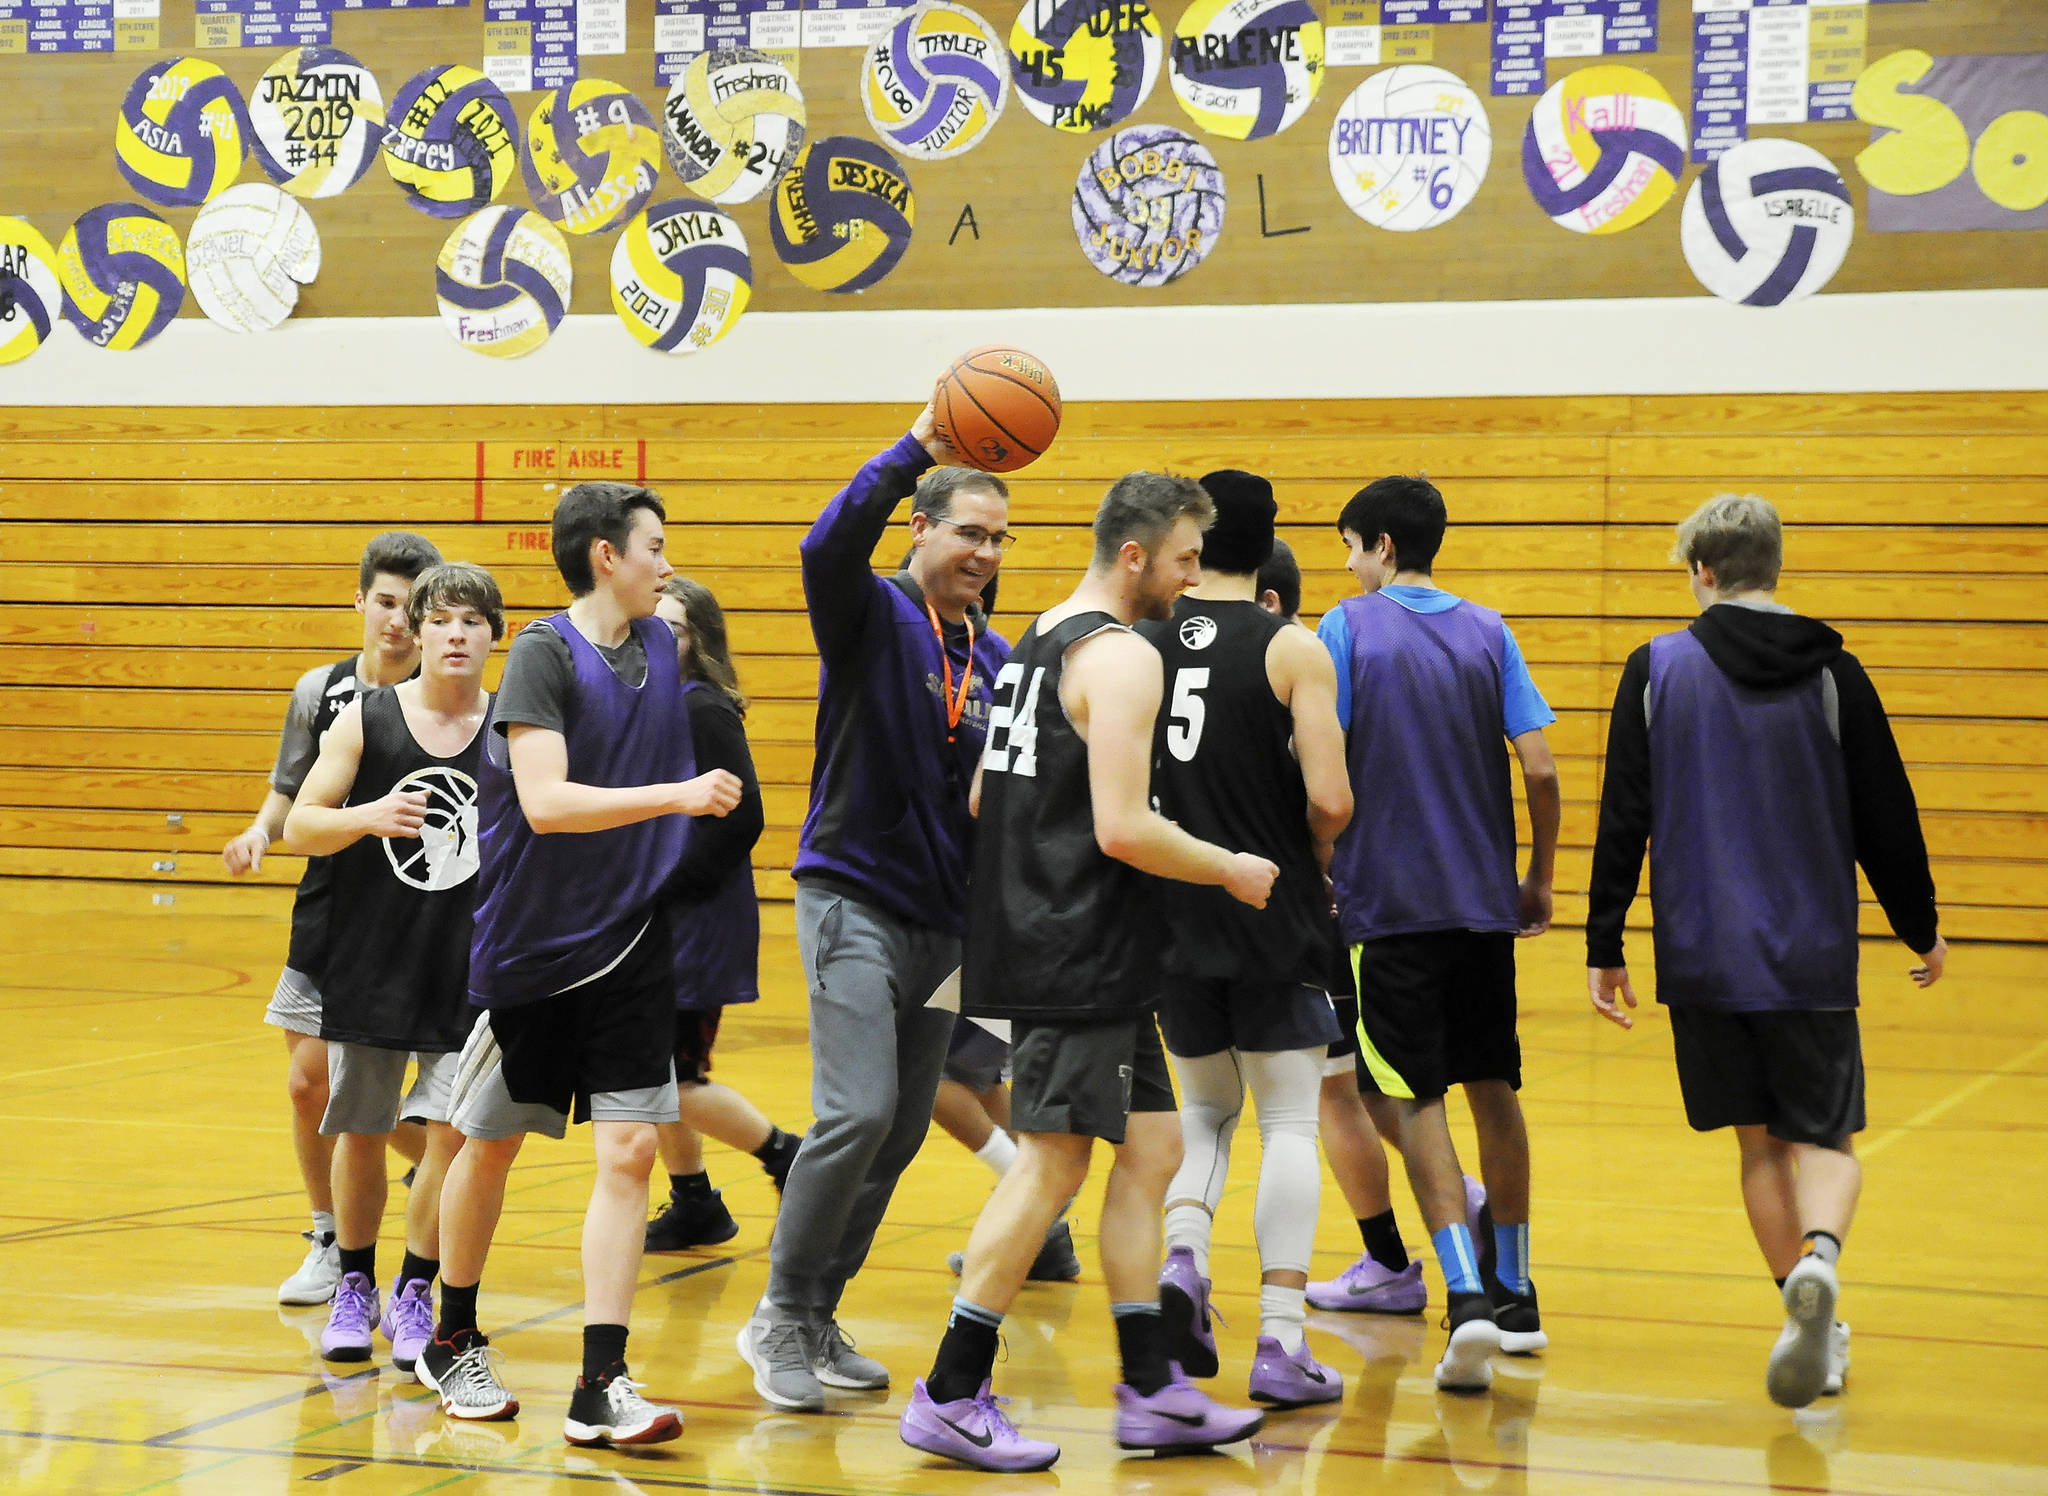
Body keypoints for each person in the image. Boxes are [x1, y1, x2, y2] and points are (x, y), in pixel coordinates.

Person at [898, 472, 1276, 1472]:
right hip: (1076, 948)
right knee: (1053, 1162)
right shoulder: (1122, 657)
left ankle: (1150, 1386)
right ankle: (950, 1389)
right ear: (1136, 555)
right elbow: (1120, 827)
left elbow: (984, 794)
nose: (1192, 581)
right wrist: (1229, 865)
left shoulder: (1039, 635)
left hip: (1069, 940)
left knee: (1153, 1148)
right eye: (1185, 560)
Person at [1585, 493, 1944, 1410]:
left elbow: (1623, 815)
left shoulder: (1656, 668)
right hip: (1809, 953)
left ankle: (1807, 1313)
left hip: (1703, 953)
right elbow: (1886, 812)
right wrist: (1921, 924)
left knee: (1758, 1149)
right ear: (1774, 566)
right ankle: (1822, 1259)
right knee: (1828, 1138)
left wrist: (1604, 941)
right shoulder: (1834, 672)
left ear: (1702, 571)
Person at [415, 483, 742, 1448]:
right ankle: (453, 1334)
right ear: (606, 555)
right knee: (490, 1145)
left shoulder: (658, 648)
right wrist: (678, 795)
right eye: (654, 546)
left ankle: (602, 1381)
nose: (667, 565)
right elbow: (547, 804)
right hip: (537, 947)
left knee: (632, 1150)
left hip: (632, 937)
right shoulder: (543, 655)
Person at [738, 400, 1014, 1412]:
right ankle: (775, 1312)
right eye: (969, 532)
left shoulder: (997, 659)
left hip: (945, 925)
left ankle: (817, 1311)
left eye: (998, 539)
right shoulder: (870, 611)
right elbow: (824, 543)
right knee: (854, 1111)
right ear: (920, 528)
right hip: (851, 896)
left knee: (896, 1133)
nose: (984, 552)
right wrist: (916, 449)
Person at [1317, 476, 1561, 1393]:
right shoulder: (1491, 631)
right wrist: (1537, 875)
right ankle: (1518, 1292)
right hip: (1481, 904)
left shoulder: (1347, 626)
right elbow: (1540, 768)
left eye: (1351, 547)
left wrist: (1320, 865)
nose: (1349, 565)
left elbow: (1324, 766)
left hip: (1388, 907)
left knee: (1415, 1100)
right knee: (1494, 1087)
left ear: (1381, 545)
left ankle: (1464, 1294)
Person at [1133, 472, 1354, 1407]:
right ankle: (1282, 1340)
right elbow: (1331, 799)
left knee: (1206, 1111)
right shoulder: (1292, 645)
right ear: (1266, 550)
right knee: (1291, 1120)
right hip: (1271, 905)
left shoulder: (1140, 641)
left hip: (1172, 906)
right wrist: (1312, 847)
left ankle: (1184, 1259)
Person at [1254, 537, 1485, 1317]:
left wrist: (1320, 863)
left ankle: (1392, 1259)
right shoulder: (1315, 658)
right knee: (1366, 1083)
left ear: (1267, 602)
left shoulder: (1295, 667)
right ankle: (1466, 1199)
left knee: (1331, 1091)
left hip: (1326, 905)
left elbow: (1327, 796)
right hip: (1362, 901)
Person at [282, 562, 501, 1372]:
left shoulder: (513, 729)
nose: (455, 634)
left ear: (495, 636)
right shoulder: (368, 719)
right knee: (362, 1128)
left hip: (468, 965)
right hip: (373, 954)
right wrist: (369, 814)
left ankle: (414, 1291)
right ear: (418, 629)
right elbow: (301, 826)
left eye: (472, 621)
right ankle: (354, 1284)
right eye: (440, 620)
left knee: (449, 1135)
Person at [224, 530, 442, 1306]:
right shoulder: (321, 692)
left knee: (382, 1095)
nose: (397, 621)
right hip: (331, 905)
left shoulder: (444, 696)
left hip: (419, 913)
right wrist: (261, 830)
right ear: (360, 601)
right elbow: (289, 788)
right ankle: (328, 1237)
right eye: (384, 602)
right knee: (308, 1082)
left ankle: (435, 1174)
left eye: (412, 607)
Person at [642, 575, 801, 1251]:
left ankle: (786, 1154)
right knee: (658, 1070)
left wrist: (660, 886)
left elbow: (743, 818)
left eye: (672, 629)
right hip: (667, 914)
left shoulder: (702, 705)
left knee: (661, 1075)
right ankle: (695, 1201)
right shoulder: (657, 702)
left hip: (694, 919)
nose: (657, 640)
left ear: (699, 641)